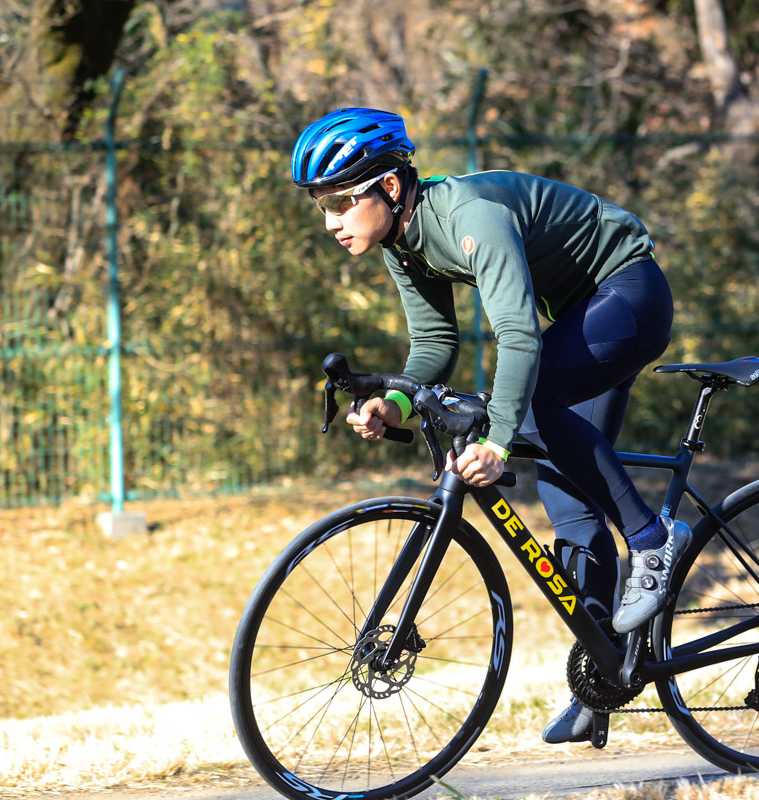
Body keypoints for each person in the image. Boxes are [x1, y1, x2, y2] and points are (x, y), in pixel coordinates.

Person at [291, 107, 690, 743]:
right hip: (580, 316)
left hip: (628, 294)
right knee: (573, 509)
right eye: (322, 207)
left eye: (342, 202)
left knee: (536, 404)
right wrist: (393, 403)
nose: (333, 222)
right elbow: (433, 340)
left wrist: (497, 439)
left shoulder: (470, 218)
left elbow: (517, 337)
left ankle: (651, 540)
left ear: (390, 188)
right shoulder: (402, 240)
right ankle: (605, 677)